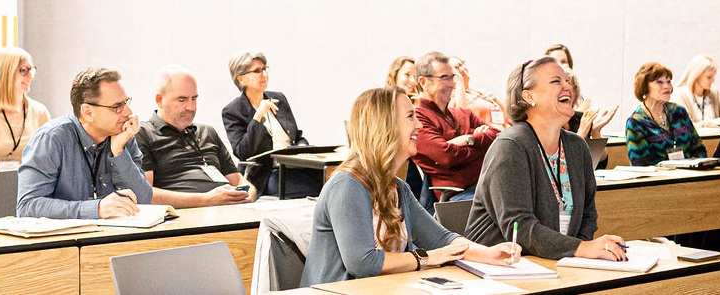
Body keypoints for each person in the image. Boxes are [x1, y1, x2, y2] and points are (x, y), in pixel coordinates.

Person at [300, 87, 517, 287]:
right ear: (385, 126)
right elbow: (363, 263)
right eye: (410, 117)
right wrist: (427, 258)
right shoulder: (347, 186)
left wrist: (489, 254)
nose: (419, 125)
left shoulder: (398, 188)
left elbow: (442, 239)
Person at [465, 56, 626, 261]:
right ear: (529, 96)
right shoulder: (510, 147)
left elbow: (588, 216)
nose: (567, 86)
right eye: (556, 81)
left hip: (555, 262)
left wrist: (579, 257)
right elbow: (520, 227)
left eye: (567, 81)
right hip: (501, 268)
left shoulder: (577, 147)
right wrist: (582, 248)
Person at [17, 68, 152, 219]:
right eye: (117, 107)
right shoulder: (51, 139)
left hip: (116, 237)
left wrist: (119, 153)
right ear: (88, 112)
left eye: (126, 102)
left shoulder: (123, 135)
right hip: (66, 240)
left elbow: (144, 200)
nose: (128, 112)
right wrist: (96, 209)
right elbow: (27, 207)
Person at [136, 65, 256, 208]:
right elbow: (145, 194)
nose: (191, 107)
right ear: (160, 100)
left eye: (194, 98)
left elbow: (238, 180)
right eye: (182, 100)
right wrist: (206, 200)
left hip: (229, 208)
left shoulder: (207, 132)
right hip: (187, 216)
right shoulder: (143, 134)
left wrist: (249, 193)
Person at [222, 51, 322, 198]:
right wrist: (258, 117)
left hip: (299, 166)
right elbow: (243, 152)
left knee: (333, 181)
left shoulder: (278, 99)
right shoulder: (232, 111)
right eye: (257, 71)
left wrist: (301, 146)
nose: (264, 74)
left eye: (264, 69)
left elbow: (297, 136)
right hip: (269, 173)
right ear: (241, 79)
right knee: (315, 191)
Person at [412, 51, 500, 201]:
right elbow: (446, 156)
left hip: (486, 184)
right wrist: (479, 143)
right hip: (458, 194)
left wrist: (468, 139)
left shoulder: (462, 114)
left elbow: (497, 137)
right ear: (423, 82)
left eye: (452, 77)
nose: (451, 84)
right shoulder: (418, 118)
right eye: (443, 78)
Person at [0, 47, 51, 172]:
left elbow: (48, 163)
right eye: (24, 70)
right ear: (5, 73)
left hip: (34, 189)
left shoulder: (40, 112)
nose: (31, 76)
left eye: (32, 70)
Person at [625, 62, 706, 166]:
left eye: (668, 82)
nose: (667, 86)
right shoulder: (636, 122)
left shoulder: (679, 112)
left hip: (688, 175)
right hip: (658, 180)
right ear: (644, 87)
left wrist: (692, 165)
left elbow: (699, 150)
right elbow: (640, 164)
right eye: (660, 82)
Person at [671, 54, 720, 128]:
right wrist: (712, 123)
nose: (713, 80)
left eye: (714, 76)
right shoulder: (679, 96)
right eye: (709, 77)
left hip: (717, 139)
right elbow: (684, 127)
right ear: (696, 75)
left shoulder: (714, 93)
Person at [448, 56, 509, 130]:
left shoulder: (480, 92)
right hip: (488, 137)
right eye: (456, 68)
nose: (462, 69)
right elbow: (462, 118)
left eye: (461, 64)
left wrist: (496, 101)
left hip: (505, 132)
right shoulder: (453, 98)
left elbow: (509, 116)